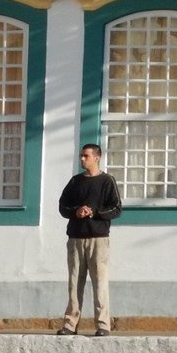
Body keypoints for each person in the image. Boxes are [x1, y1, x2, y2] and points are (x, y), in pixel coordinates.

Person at [57, 143, 122, 336]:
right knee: (74, 282)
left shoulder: (107, 181)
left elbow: (116, 208)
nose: (82, 159)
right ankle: (70, 324)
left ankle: (102, 325)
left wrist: (94, 213)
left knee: (100, 282)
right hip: (76, 238)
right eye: (81, 156)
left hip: (98, 239)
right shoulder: (75, 182)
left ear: (97, 157)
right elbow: (62, 207)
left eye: (86, 156)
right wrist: (76, 211)